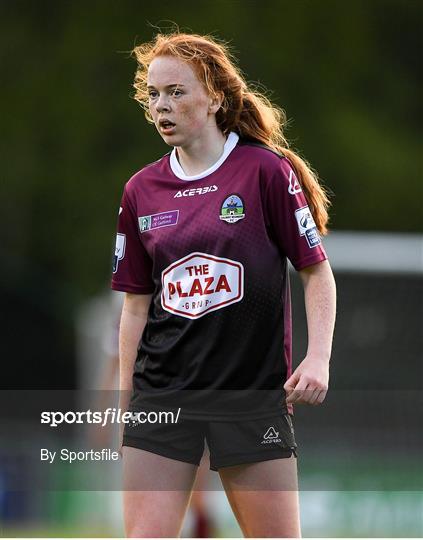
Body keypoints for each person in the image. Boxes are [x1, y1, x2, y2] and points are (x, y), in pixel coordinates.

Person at [111, 31, 336, 538]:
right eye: (153, 95)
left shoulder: (264, 172)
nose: (161, 106)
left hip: (250, 397)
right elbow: (135, 307)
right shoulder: (140, 191)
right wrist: (125, 399)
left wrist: (318, 355)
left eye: (176, 92)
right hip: (162, 398)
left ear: (214, 97)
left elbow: (315, 270)